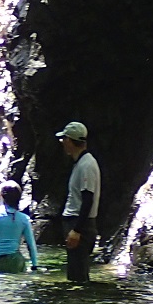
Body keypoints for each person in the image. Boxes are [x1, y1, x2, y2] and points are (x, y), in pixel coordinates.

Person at [58, 121, 100, 283]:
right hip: (76, 222)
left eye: (64, 139)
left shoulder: (86, 165)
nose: (62, 143)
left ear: (69, 141)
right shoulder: (81, 163)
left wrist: (77, 230)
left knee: (78, 276)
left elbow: (87, 199)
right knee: (75, 273)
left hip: (79, 224)